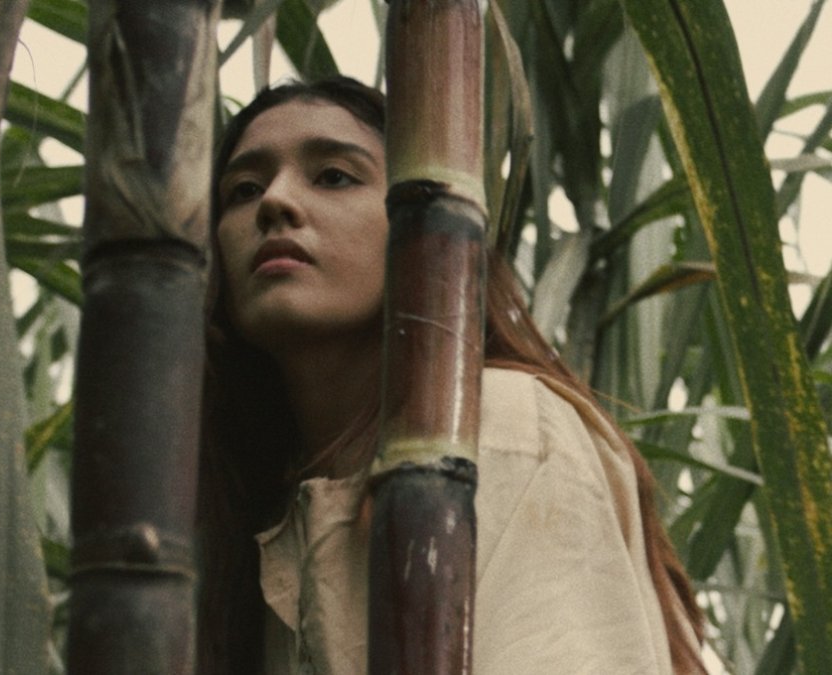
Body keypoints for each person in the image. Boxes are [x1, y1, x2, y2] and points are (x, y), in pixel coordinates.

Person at [196, 76, 705, 674]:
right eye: (243, 189)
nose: (274, 202)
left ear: (419, 220)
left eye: (334, 175)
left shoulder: (499, 425)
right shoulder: (252, 513)